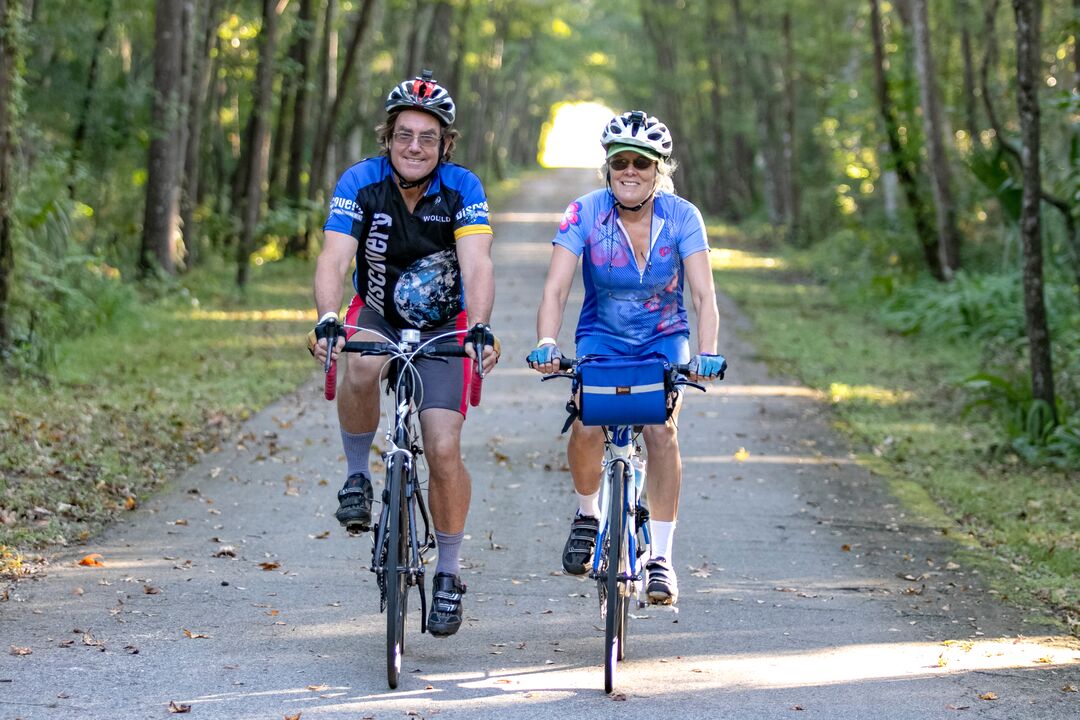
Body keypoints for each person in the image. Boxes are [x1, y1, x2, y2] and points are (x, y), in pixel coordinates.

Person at [310, 70, 499, 637]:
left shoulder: (463, 188)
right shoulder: (361, 182)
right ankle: (356, 478)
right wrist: (325, 316)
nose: (414, 147)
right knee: (360, 361)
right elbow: (334, 257)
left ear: (445, 144)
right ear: (387, 138)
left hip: (444, 323)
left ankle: (447, 574)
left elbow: (478, 263)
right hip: (378, 311)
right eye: (403, 135)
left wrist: (481, 327)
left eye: (427, 137)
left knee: (442, 447)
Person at [527, 110, 725, 605]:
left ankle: (660, 557)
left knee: (660, 429)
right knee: (587, 424)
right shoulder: (584, 213)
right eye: (620, 162)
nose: (630, 171)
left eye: (642, 162)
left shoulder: (683, 217)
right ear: (608, 167)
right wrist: (548, 342)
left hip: (664, 337)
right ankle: (587, 515)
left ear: (661, 168)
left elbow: (703, 296)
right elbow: (555, 288)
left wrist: (707, 353)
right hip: (601, 336)